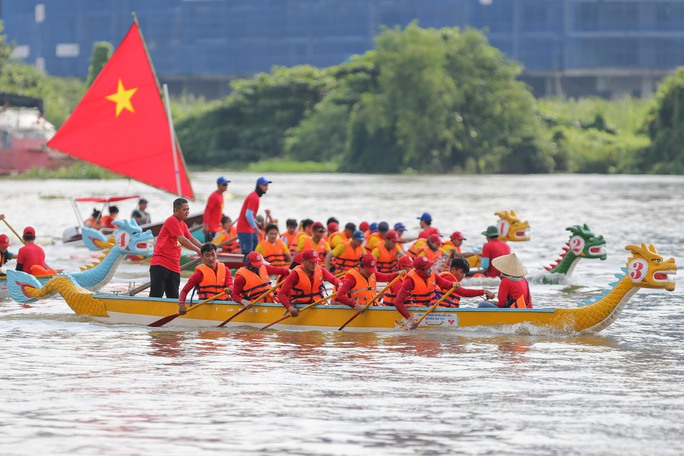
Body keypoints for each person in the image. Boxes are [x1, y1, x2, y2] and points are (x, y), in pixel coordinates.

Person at [149, 198, 203, 299]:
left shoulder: (183, 224)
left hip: (174, 265)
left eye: (188, 209)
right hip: (161, 263)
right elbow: (183, 240)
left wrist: (203, 247)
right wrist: (198, 251)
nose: (187, 212)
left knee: (173, 298)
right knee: (156, 296)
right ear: (176, 210)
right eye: (184, 210)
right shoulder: (172, 220)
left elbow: (191, 238)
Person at [393, 256, 460, 330]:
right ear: (420, 270)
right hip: (414, 311)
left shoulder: (431, 274)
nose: (430, 270)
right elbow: (397, 303)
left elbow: (444, 283)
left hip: (426, 308)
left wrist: (453, 284)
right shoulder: (409, 281)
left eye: (430, 267)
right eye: (427, 269)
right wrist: (410, 319)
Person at [277, 249, 342, 317]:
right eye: (311, 262)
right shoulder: (295, 274)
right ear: (304, 261)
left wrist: (339, 283)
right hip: (299, 306)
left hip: (317, 304)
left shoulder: (320, 270)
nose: (314, 264)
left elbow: (333, 279)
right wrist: (290, 308)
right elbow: (281, 294)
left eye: (316, 261)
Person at [178, 243, 233, 315]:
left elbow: (231, 285)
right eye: (207, 255)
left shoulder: (226, 270)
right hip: (205, 305)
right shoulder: (198, 274)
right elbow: (184, 291)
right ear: (202, 258)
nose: (211, 258)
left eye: (213, 255)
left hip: (224, 304)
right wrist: (181, 304)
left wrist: (230, 289)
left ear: (216, 255)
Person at [335, 254, 401, 310]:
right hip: (357, 311)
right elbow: (339, 296)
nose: (370, 273)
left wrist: (398, 274)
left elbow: (388, 277)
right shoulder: (352, 278)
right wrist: (355, 305)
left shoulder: (373, 274)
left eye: (372, 270)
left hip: (371, 309)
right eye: (368, 271)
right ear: (361, 266)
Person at [237, 176, 271, 254]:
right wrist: (256, 228)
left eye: (267, 186)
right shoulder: (254, 197)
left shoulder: (255, 196)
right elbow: (248, 215)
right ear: (259, 186)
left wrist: (257, 223)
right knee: (248, 253)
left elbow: (251, 215)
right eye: (264, 185)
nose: (267, 188)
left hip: (250, 230)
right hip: (244, 230)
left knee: (255, 251)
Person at [203, 176, 229, 242]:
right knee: (209, 249)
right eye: (224, 184)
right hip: (211, 228)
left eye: (227, 184)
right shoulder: (214, 196)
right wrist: (205, 226)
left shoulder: (221, 195)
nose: (226, 186)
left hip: (217, 227)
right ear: (219, 185)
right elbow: (207, 211)